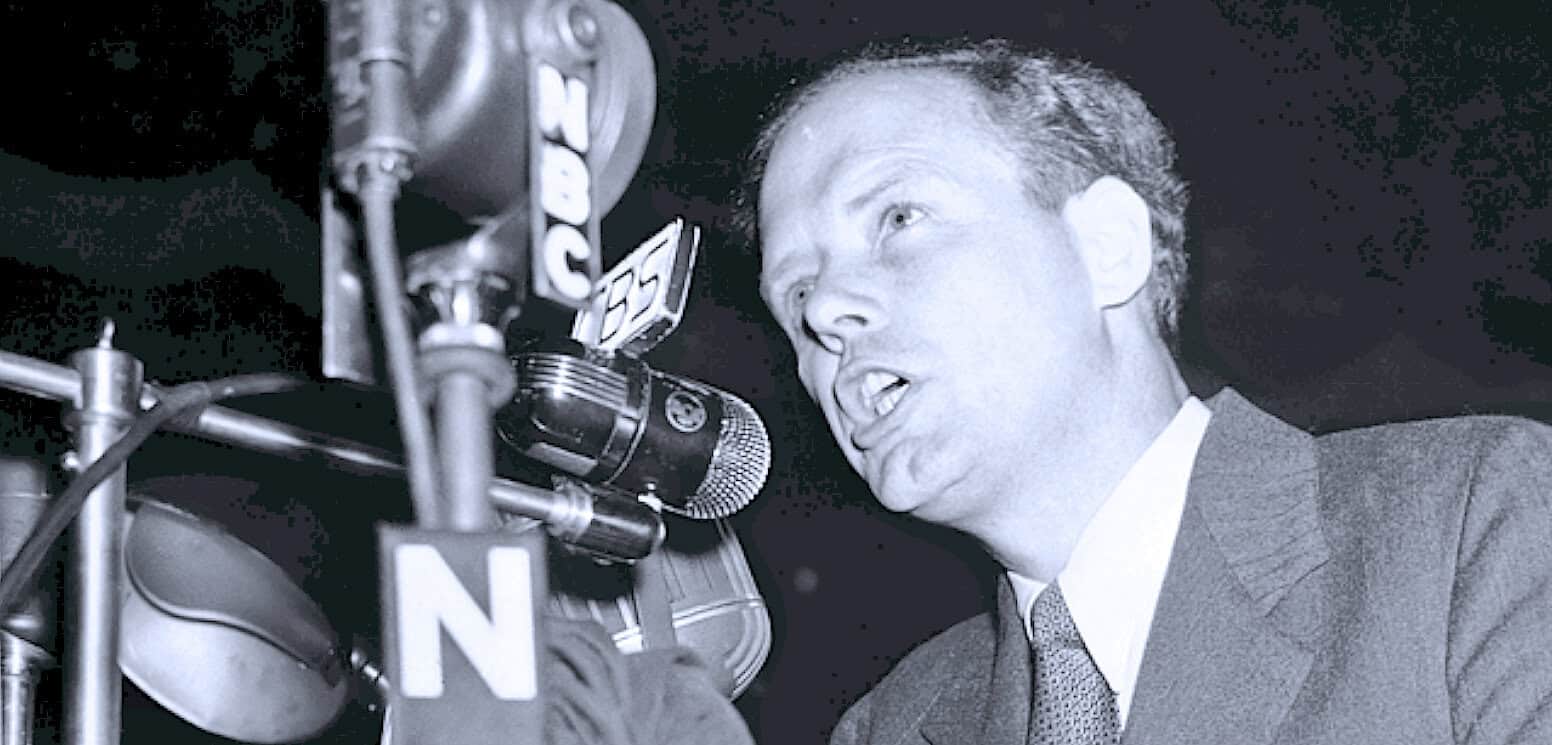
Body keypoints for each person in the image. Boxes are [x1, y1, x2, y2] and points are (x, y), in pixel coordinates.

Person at [734, 36, 1552, 745]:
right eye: (796, 292)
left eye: (898, 218)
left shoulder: (1477, 525)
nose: (828, 311)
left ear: (1108, 246)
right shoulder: (889, 724)